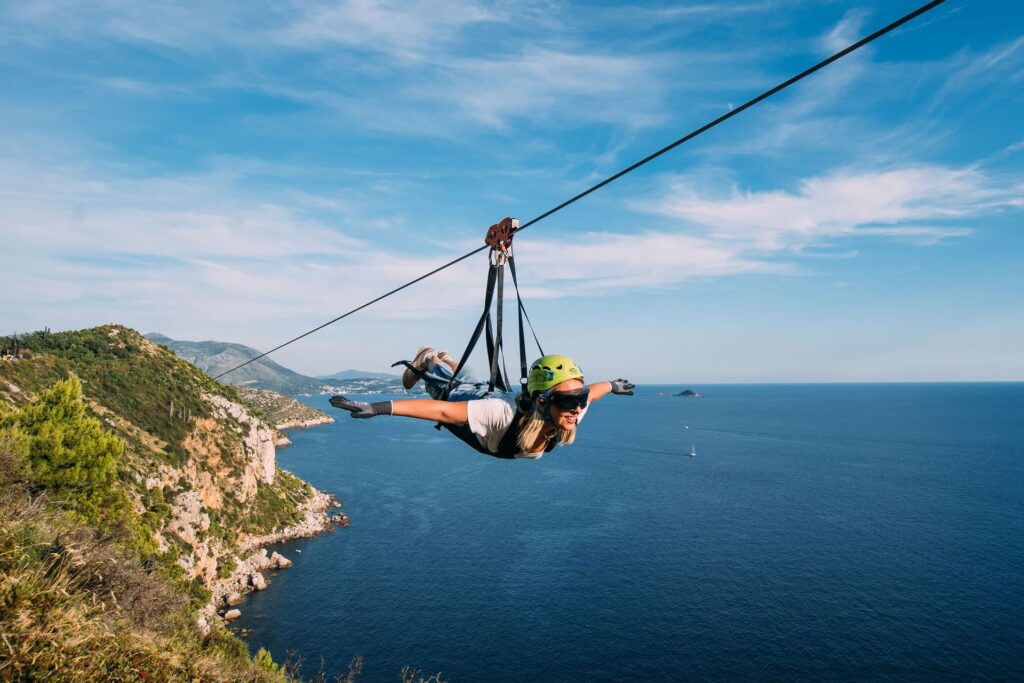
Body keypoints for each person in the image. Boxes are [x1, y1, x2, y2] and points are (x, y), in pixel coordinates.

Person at [329, 347, 634, 459]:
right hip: (490, 410)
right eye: (569, 400)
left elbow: (592, 391)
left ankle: (447, 357)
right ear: (543, 400)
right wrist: (378, 408)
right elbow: (443, 411)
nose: (578, 407)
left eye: (578, 400)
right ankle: (429, 360)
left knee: (475, 385)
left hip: (494, 402)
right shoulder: (501, 415)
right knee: (447, 391)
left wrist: (613, 385)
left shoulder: (569, 413)